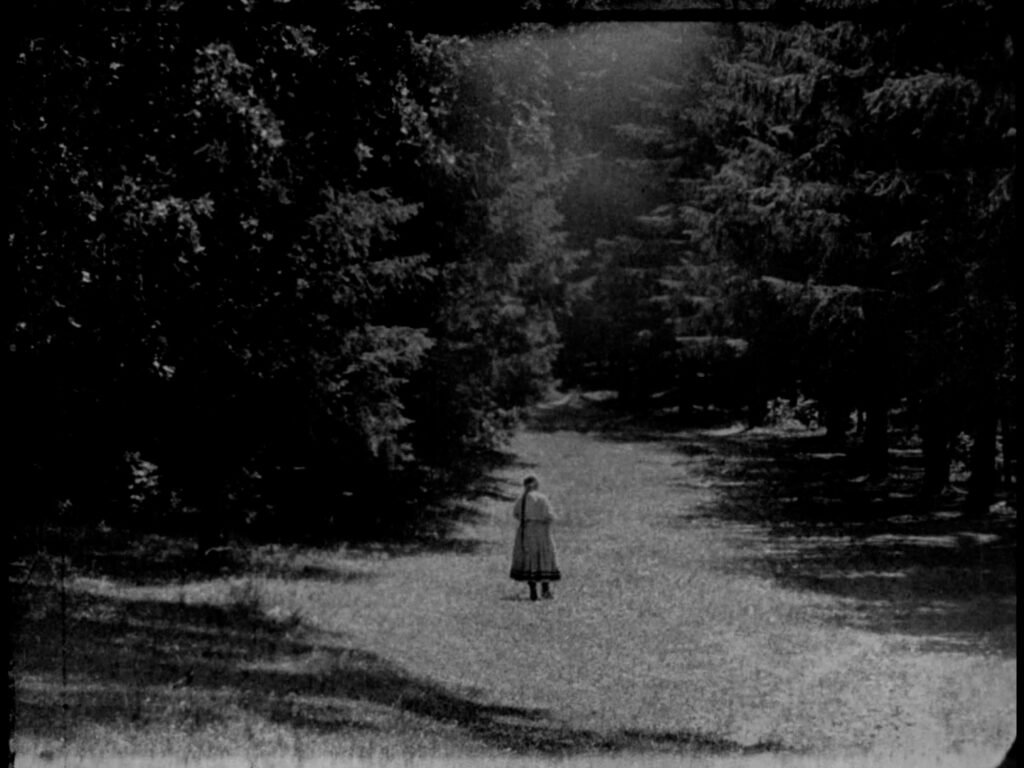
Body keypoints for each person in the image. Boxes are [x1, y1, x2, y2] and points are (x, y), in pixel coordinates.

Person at [509, 475, 561, 600]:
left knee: (529, 558)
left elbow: (516, 514)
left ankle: (533, 591)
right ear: (536, 485)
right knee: (544, 556)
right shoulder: (542, 498)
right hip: (541, 531)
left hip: (526, 530)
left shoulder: (521, 500)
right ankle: (545, 589)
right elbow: (549, 515)